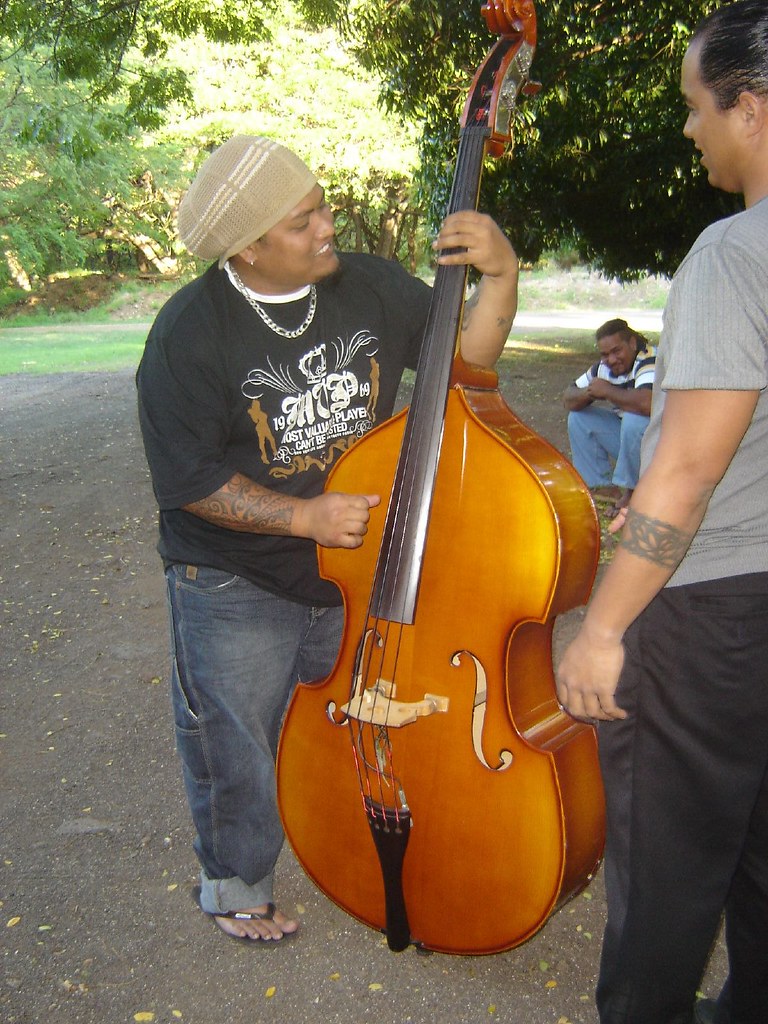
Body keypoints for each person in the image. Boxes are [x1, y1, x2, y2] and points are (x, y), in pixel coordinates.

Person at [136, 134, 519, 943]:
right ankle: (233, 881)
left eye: (321, 205)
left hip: (358, 569)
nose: (327, 225)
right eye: (304, 219)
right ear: (249, 247)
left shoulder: (368, 285)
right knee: (235, 734)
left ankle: (342, 845)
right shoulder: (187, 336)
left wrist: (502, 278)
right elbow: (190, 480)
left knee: (354, 722)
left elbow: (465, 374)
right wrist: (302, 516)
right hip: (235, 575)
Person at [556, 2, 768, 1021]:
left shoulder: (735, 255)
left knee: (667, 879)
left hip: (712, 616)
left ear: (752, 109)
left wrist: (602, 627)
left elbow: (681, 475)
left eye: (696, 107)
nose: (691, 130)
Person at [563, 318, 656, 514]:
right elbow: (568, 398)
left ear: (632, 343)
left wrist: (606, 390)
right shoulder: (603, 368)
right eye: (605, 354)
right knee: (579, 417)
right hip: (630, 441)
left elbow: (646, 404)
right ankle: (601, 489)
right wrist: (590, 391)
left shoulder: (649, 358)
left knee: (633, 419)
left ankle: (633, 494)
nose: (611, 359)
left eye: (617, 351)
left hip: (660, 446)